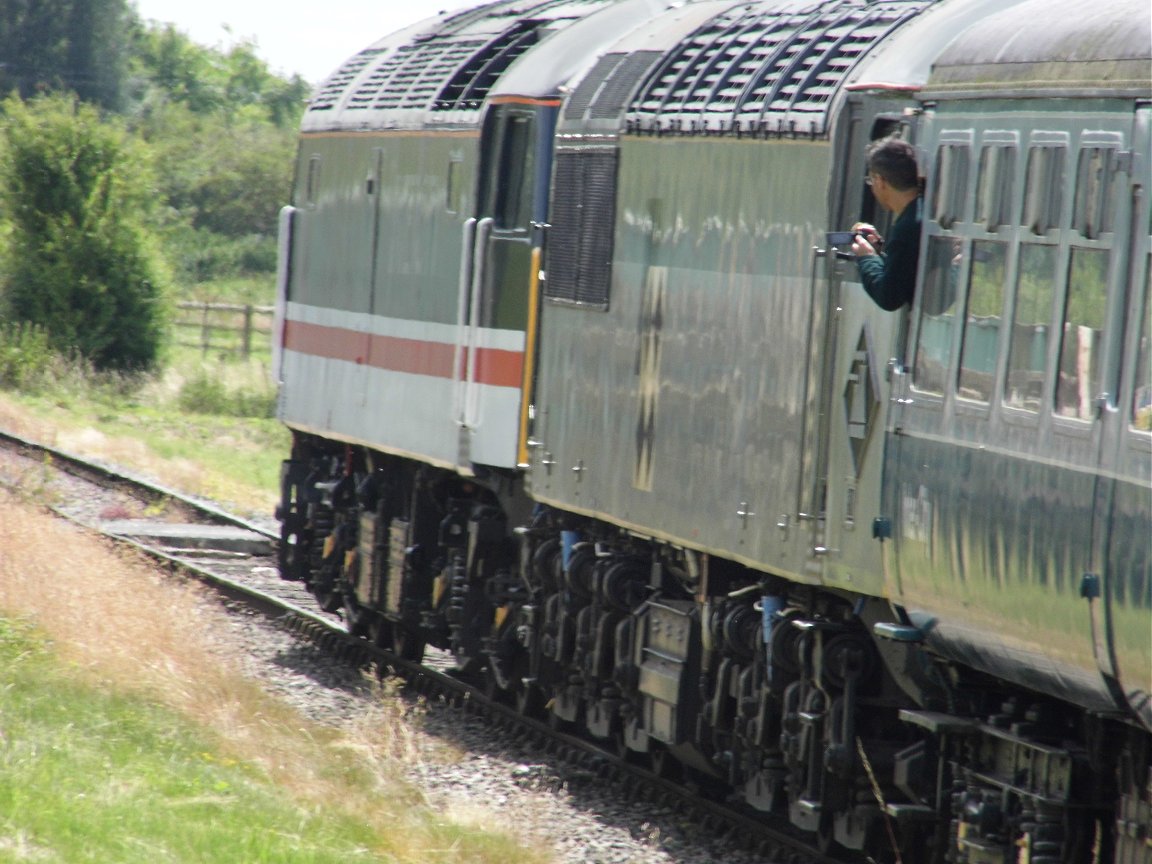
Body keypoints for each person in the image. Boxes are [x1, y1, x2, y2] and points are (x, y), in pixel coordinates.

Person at [850, 136, 922, 310]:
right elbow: (904, 275)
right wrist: (878, 254)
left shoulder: (906, 228)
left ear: (880, 181)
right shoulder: (921, 212)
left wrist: (866, 257)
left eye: (871, 180)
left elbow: (889, 296)